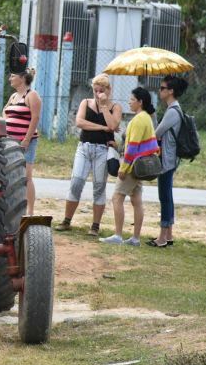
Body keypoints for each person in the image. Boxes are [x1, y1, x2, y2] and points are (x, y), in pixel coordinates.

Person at [56, 73, 122, 234]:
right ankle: (67, 220)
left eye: (101, 91)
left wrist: (105, 106)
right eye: (95, 90)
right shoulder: (85, 103)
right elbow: (79, 122)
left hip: (102, 150)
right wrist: (102, 127)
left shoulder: (115, 107)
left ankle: (95, 225)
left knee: (99, 186)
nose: (97, 94)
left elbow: (113, 125)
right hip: (84, 147)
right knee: (76, 182)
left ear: (108, 90)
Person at [101, 87, 158, 246]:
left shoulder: (139, 119)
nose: (129, 102)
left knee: (117, 197)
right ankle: (135, 238)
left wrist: (123, 168)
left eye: (132, 99)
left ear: (140, 102)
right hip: (140, 166)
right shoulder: (146, 117)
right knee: (136, 200)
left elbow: (132, 147)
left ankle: (118, 235)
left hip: (133, 166)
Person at [151, 75, 189, 247]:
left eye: (162, 88)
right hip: (171, 158)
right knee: (168, 196)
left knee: (164, 197)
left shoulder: (173, 111)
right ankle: (169, 235)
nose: (160, 91)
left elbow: (156, 134)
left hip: (167, 159)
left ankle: (162, 238)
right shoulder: (174, 109)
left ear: (171, 91)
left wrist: (151, 117)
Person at [4, 68, 41, 214]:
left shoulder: (31, 95)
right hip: (10, 141)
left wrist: (26, 139)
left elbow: (35, 117)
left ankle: (30, 211)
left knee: (26, 176)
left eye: (13, 75)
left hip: (25, 142)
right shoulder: (13, 96)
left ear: (22, 78)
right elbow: (5, 112)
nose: (10, 79)